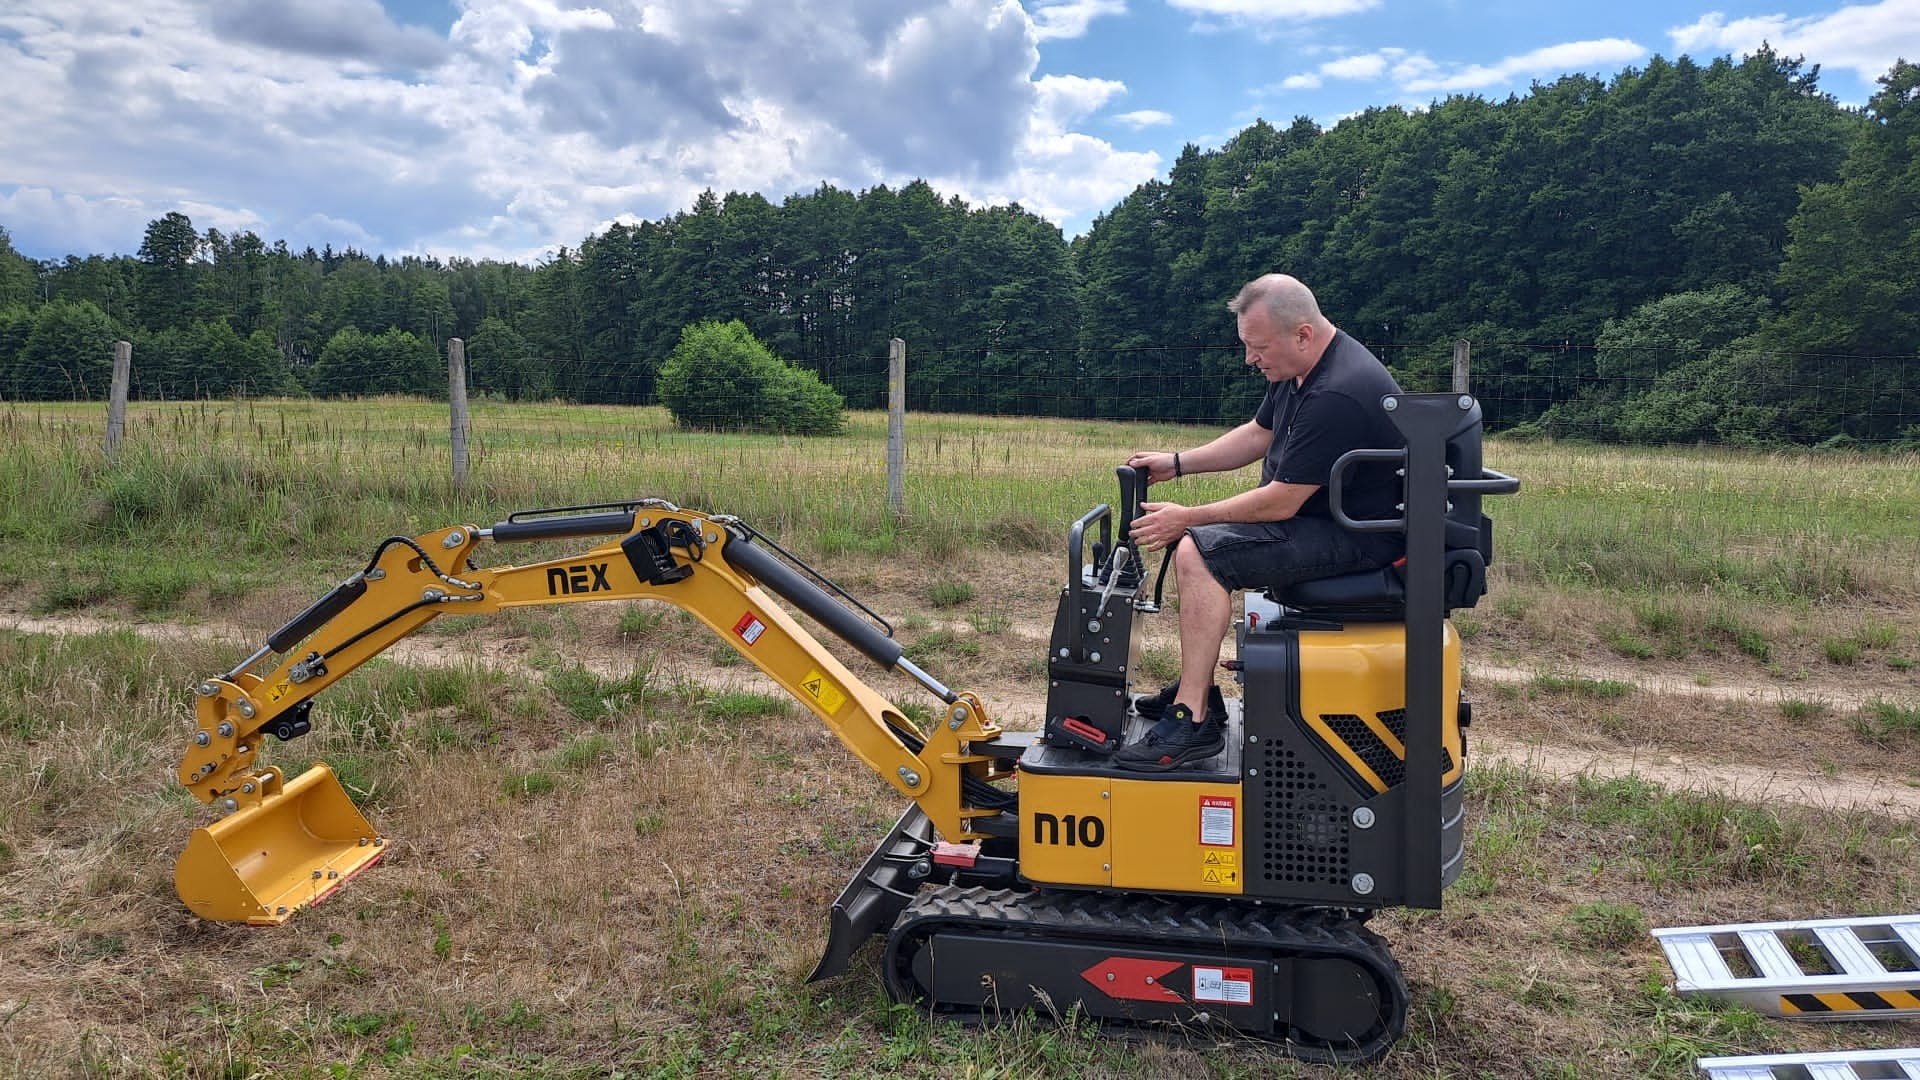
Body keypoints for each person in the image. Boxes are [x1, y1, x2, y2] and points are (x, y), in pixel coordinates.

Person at [1113, 273, 1406, 771]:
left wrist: (1187, 519)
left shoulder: (1337, 392)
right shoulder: (1298, 370)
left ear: (1303, 334)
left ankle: (1193, 719)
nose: (1251, 358)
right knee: (1198, 544)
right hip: (1327, 521)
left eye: (1258, 347)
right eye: (1248, 346)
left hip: (1356, 537)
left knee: (1199, 553)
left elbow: (1280, 503)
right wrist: (1178, 462)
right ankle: (1198, 689)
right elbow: (1258, 435)